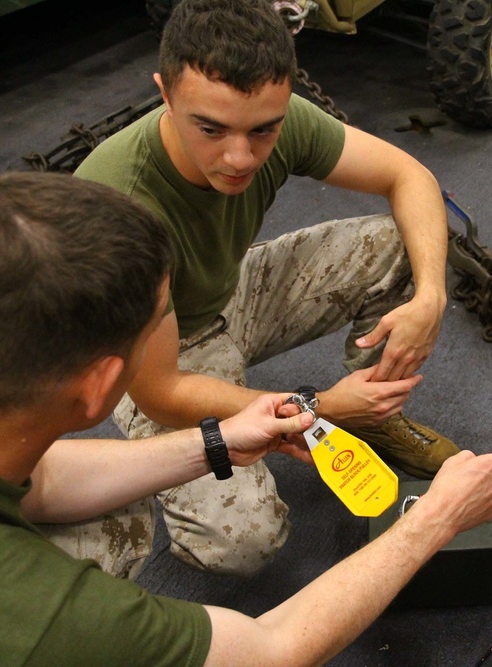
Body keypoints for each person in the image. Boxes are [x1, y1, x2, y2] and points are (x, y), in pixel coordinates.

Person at [0, 170, 492, 666]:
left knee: (109, 506)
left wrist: (214, 442)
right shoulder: (28, 615)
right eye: (161, 326)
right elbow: (270, 649)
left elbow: (34, 479)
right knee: (114, 532)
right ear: (101, 384)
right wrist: (435, 519)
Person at [72, 0, 460, 577]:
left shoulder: (281, 118)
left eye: (263, 130)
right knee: (244, 544)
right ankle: (157, 470)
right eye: (210, 128)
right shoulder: (119, 204)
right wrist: (319, 409)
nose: (239, 157)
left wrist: (431, 296)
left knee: (407, 246)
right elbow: (161, 390)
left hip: (232, 290)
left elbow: (411, 176)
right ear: (165, 93)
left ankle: (371, 414)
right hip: (151, 355)